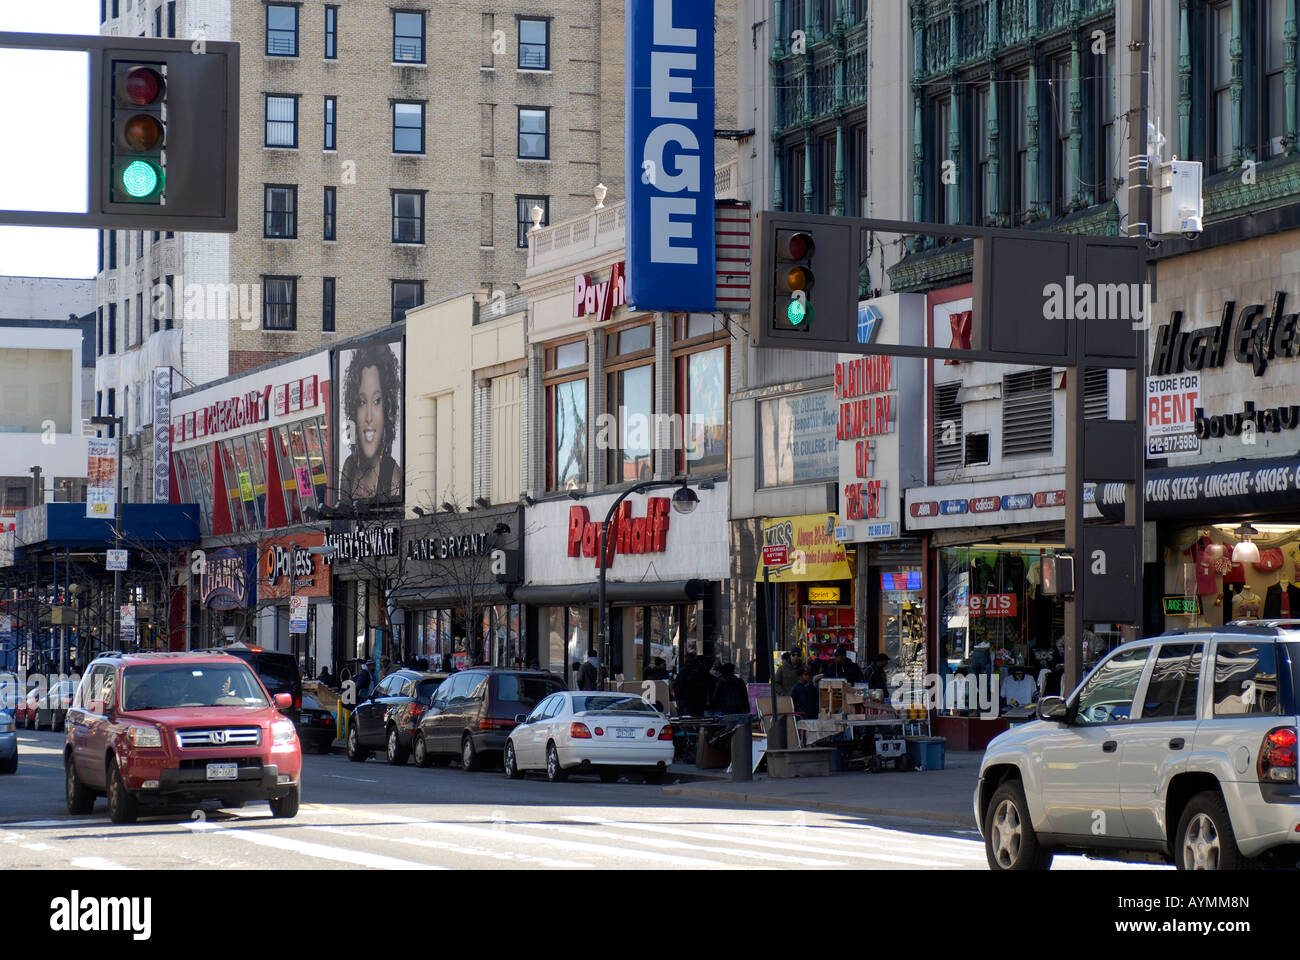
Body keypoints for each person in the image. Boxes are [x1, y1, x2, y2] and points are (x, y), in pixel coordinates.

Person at [338, 342, 405, 503]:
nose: (369, 417)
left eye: (376, 401)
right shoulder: (349, 466)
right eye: (361, 402)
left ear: (387, 408)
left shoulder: (392, 475)